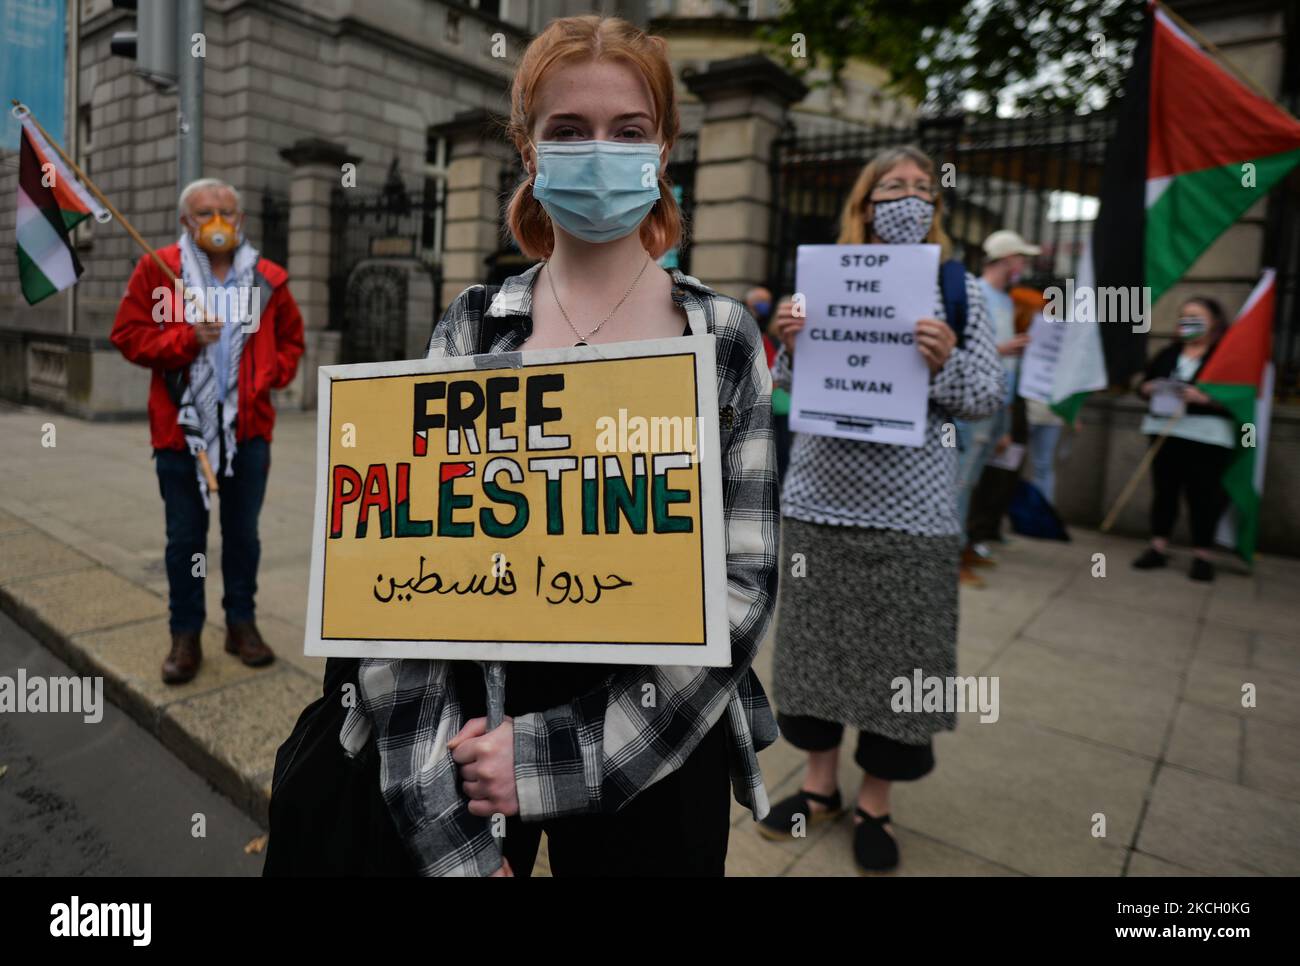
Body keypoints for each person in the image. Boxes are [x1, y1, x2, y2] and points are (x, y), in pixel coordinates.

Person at [300, 14, 778, 877]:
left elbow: (742, 588)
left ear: (663, 147)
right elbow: (400, 597)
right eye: (568, 131)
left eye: (627, 131)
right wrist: (455, 842)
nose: (599, 150)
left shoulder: (724, 338)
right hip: (474, 731)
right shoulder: (473, 329)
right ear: (529, 151)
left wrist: (555, 758)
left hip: (661, 741)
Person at [762, 145, 1003, 872]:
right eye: (890, 186)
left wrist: (946, 359)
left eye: (921, 187)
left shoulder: (963, 291)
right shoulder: (821, 283)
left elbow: (986, 396)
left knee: (905, 664)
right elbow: (787, 387)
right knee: (813, 657)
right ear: (863, 205)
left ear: (937, 205)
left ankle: (877, 805)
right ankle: (819, 789)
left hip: (913, 514)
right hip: (819, 501)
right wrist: (789, 343)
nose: (907, 197)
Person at [110, 178, 305, 684]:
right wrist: (183, 339)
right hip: (182, 434)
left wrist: (267, 378)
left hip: (248, 433)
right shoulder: (157, 273)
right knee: (185, 541)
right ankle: (186, 634)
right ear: (185, 223)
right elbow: (128, 335)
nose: (216, 221)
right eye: (204, 212)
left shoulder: (267, 279)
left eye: (225, 211)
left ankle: (241, 624)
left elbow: (291, 342)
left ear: (240, 221)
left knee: (243, 536)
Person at [1132, 296, 1234, 582]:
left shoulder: (1224, 358)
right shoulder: (1167, 353)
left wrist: (1205, 398)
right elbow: (1142, 384)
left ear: (1214, 322)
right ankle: (1158, 545)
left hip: (1207, 436)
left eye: (1196, 317)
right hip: (1166, 431)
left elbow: (1240, 398)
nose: (1188, 322)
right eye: (1184, 316)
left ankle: (1203, 554)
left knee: (1204, 495)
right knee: (1165, 490)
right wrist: (1147, 388)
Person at [956, 230, 1039, 583]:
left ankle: (964, 545)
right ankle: (953, 555)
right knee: (960, 482)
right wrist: (1001, 350)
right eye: (1021, 258)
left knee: (973, 480)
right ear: (1006, 259)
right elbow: (957, 351)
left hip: (998, 404)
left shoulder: (1006, 300)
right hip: (973, 403)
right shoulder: (974, 293)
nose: (1024, 265)